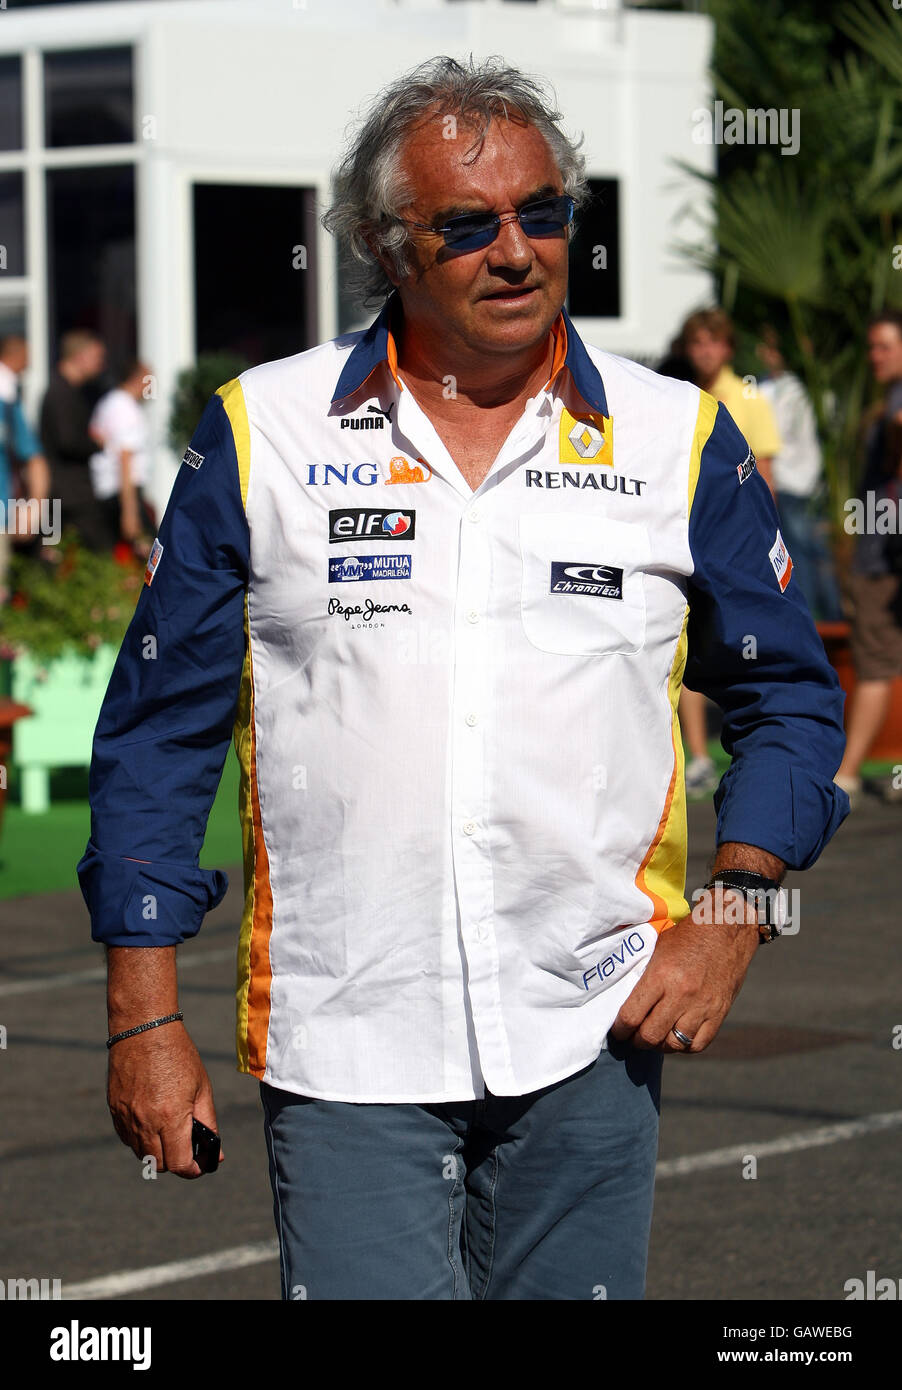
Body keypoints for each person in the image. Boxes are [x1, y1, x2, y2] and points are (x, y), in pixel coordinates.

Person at [77, 56, 849, 1301]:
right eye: (466, 224)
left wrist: (733, 911)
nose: (515, 251)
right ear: (386, 245)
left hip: (591, 1035)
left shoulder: (675, 438)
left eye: (541, 213)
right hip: (346, 1046)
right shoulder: (260, 432)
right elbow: (157, 741)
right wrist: (141, 1017)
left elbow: (789, 699)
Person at [680, 308, 784, 794]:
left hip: (736, 544)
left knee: (747, 646)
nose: (704, 350)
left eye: (712, 342)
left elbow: (764, 476)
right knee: (683, 647)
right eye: (696, 342)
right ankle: (698, 756)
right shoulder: (676, 396)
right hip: (687, 538)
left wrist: (766, 545)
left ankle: (758, 757)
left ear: (726, 348)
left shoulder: (746, 396)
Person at [834, 310, 902, 805]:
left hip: (884, 560)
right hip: (880, 551)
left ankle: (849, 774)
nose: (874, 355)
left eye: (883, 346)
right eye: (871, 346)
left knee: (875, 664)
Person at [755, 325, 842, 621]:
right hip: (801, 483)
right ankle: (824, 620)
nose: (762, 353)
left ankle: (817, 621)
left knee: (802, 556)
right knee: (811, 555)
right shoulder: (803, 390)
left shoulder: (789, 391)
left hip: (796, 482)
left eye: (770, 347)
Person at [40, 330, 108, 551]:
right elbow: (67, 440)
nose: (101, 365)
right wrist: (95, 444)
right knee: (98, 550)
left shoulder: (71, 391)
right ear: (79, 356)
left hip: (66, 490)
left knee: (57, 552)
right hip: (68, 492)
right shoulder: (61, 393)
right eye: (97, 358)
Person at [0, 333, 51, 603]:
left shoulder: (7, 397)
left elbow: (32, 458)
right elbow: (34, 458)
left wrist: (31, 509)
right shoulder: (6, 394)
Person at [88, 359, 156, 557]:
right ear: (137, 378)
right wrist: (130, 510)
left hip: (115, 490)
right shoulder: (123, 407)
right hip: (122, 490)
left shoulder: (111, 403)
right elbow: (125, 458)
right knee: (152, 556)